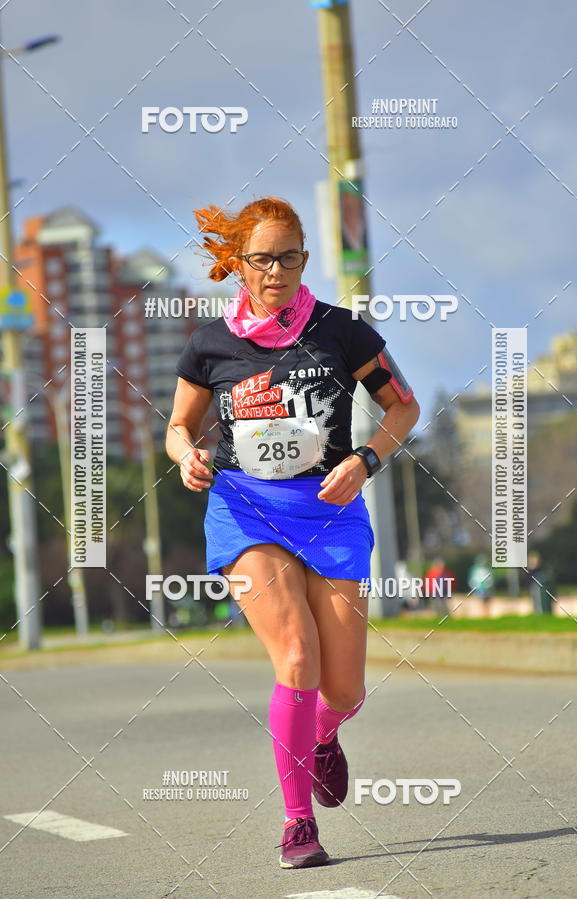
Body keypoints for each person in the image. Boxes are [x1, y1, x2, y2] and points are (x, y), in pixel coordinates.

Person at [166, 196, 420, 869]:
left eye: (288, 256)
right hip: (246, 507)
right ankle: (297, 823)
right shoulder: (210, 345)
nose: (275, 269)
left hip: (330, 510)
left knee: (343, 691)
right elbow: (178, 426)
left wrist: (364, 462)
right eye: (261, 258)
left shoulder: (343, 331)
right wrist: (186, 455)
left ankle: (323, 734)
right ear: (238, 264)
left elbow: (404, 406)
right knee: (296, 656)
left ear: (304, 259)